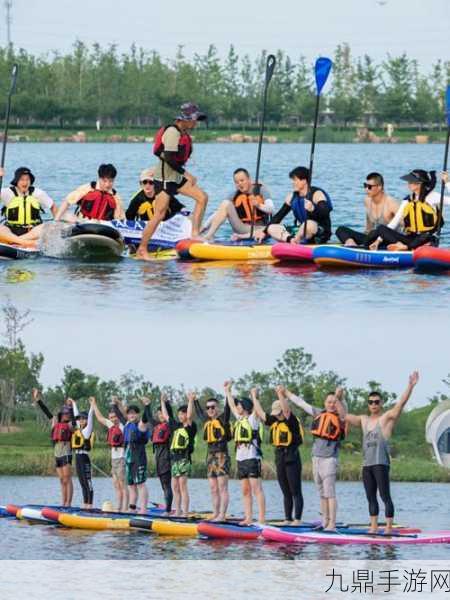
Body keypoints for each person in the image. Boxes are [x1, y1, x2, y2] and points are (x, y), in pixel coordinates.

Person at [345, 372, 419, 534]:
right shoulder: (364, 420)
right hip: (367, 465)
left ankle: (388, 528)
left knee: (385, 496)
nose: (373, 404)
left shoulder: (385, 419)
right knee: (370, 497)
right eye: (371, 402)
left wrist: (410, 386)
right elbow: (345, 416)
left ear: (381, 403)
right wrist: (336, 399)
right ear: (368, 404)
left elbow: (400, 405)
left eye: (376, 402)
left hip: (381, 464)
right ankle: (373, 527)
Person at [136, 102, 208, 259]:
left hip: (175, 177)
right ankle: (142, 249)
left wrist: (182, 174)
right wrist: (186, 174)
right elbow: (168, 158)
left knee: (202, 197)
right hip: (164, 179)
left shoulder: (183, 132)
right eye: (194, 119)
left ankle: (194, 234)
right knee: (159, 215)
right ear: (185, 119)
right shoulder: (172, 132)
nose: (196, 123)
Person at [281, 386, 346, 531]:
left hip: (329, 459)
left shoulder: (340, 416)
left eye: (333, 402)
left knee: (330, 493)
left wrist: (339, 397)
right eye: (329, 402)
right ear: (324, 403)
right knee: (322, 493)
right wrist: (286, 393)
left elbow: (342, 409)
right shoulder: (318, 412)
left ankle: (332, 524)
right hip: (316, 458)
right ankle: (324, 522)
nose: (331, 404)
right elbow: (301, 403)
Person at [250, 386, 304, 526]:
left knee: (295, 490)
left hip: (292, 458)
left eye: (278, 412)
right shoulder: (274, 421)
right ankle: (288, 518)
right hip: (279, 457)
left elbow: (286, 410)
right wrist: (254, 397)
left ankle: (297, 519)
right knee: (285, 491)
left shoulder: (290, 421)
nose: (277, 415)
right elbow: (261, 413)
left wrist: (280, 394)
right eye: (276, 413)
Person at [369, 170, 450, 251]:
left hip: (426, 238)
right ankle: (401, 245)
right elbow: (395, 222)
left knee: (425, 236)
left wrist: (447, 182)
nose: (408, 184)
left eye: (411, 181)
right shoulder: (407, 200)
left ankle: (406, 247)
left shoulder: (433, 196)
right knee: (380, 229)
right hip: (410, 238)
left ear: (420, 183)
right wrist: (378, 240)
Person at [255, 166, 332, 245]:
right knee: (271, 228)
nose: (293, 183)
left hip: (319, 232)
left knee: (308, 224)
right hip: (301, 231)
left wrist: (313, 209)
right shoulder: (291, 197)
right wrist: (264, 232)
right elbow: (278, 216)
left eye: (295, 180)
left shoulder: (316, 194)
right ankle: (292, 240)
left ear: (304, 181)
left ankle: (297, 240)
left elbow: (325, 212)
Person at [224, 381, 266, 525]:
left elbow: (257, 409)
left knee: (257, 489)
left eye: (239, 405)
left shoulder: (253, 419)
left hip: (252, 458)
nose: (237, 407)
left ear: (246, 407)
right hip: (240, 459)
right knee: (245, 491)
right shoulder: (240, 419)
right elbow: (230, 404)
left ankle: (261, 519)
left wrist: (255, 396)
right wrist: (228, 391)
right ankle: (248, 518)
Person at [201, 168, 274, 241]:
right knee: (225, 203)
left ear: (249, 179)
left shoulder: (261, 190)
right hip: (242, 228)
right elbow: (219, 213)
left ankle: (242, 236)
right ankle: (209, 235)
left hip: (260, 229)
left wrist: (259, 205)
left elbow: (271, 209)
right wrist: (204, 228)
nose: (240, 184)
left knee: (272, 228)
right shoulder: (234, 195)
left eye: (242, 180)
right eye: (236, 182)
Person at [32, 388, 74, 506]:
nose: (67, 415)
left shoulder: (70, 424)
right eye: (65, 413)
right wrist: (37, 399)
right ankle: (63, 503)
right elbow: (45, 410)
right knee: (61, 480)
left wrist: (71, 404)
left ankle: (68, 504)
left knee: (67, 478)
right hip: (57, 452)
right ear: (62, 414)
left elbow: (75, 419)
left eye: (69, 413)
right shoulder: (55, 421)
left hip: (66, 450)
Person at [336, 172, 400, 247]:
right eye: (365, 185)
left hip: (388, 241)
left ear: (379, 187)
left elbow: (404, 226)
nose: (366, 189)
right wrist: (353, 238)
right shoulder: (367, 200)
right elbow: (369, 226)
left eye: (369, 187)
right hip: (372, 238)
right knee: (340, 230)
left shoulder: (391, 203)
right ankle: (351, 244)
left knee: (375, 232)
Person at [194, 395, 232, 521]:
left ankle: (222, 515)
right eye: (208, 408)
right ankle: (215, 513)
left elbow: (228, 409)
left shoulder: (223, 419)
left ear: (217, 408)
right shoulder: (206, 420)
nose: (210, 410)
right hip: (210, 456)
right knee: (213, 488)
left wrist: (228, 393)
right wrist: (194, 400)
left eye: (213, 407)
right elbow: (199, 413)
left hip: (222, 455)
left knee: (222, 486)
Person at [160, 392, 197, 517]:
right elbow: (165, 415)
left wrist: (190, 400)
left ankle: (185, 512)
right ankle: (178, 510)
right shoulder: (175, 426)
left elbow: (191, 415)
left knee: (182, 486)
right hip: (174, 460)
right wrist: (162, 401)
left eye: (183, 413)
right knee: (175, 487)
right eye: (180, 414)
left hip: (184, 459)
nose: (181, 416)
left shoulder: (189, 427)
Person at [0, 166, 57, 243]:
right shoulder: (6, 193)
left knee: (48, 227)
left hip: (32, 231)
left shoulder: (38, 193)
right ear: (16, 181)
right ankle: (24, 242)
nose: (25, 182)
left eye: (27, 180)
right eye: (22, 180)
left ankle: (15, 241)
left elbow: (53, 206)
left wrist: (57, 222)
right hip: (11, 231)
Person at [91, 396, 128, 512]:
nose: (113, 419)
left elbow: (124, 414)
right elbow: (99, 418)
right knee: (116, 485)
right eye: (111, 417)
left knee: (123, 485)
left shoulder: (123, 425)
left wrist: (118, 403)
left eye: (114, 417)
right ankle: (118, 507)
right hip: (114, 459)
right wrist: (94, 404)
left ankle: (125, 508)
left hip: (122, 458)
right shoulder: (110, 425)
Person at [113, 402, 150, 514]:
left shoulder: (141, 425)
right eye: (129, 414)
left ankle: (143, 509)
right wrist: (115, 404)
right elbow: (119, 415)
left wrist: (147, 406)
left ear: (138, 415)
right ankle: (132, 508)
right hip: (129, 457)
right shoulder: (127, 425)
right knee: (131, 484)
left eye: (134, 413)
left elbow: (145, 417)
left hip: (139, 457)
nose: (132, 415)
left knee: (140, 484)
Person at [140, 393, 174, 516]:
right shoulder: (157, 425)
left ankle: (168, 510)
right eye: (159, 414)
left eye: (162, 413)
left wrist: (164, 403)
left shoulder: (170, 425)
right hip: (159, 458)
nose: (160, 416)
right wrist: (147, 405)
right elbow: (148, 417)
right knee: (163, 485)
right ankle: (168, 508)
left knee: (167, 485)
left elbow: (168, 413)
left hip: (166, 457)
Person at [56, 163, 125, 222]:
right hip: (83, 222)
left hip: (104, 226)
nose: (107, 184)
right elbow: (67, 201)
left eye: (111, 181)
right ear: (99, 178)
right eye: (104, 181)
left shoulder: (116, 197)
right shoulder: (88, 188)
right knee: (66, 216)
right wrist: (56, 220)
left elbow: (121, 219)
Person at [71, 398, 95, 509]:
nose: (81, 421)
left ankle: (89, 505)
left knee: (87, 482)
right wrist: (74, 403)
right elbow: (76, 415)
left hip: (84, 457)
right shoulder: (78, 429)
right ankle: (85, 504)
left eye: (83, 419)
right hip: (77, 456)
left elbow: (90, 418)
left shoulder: (87, 430)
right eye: (79, 419)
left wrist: (92, 406)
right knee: (81, 482)